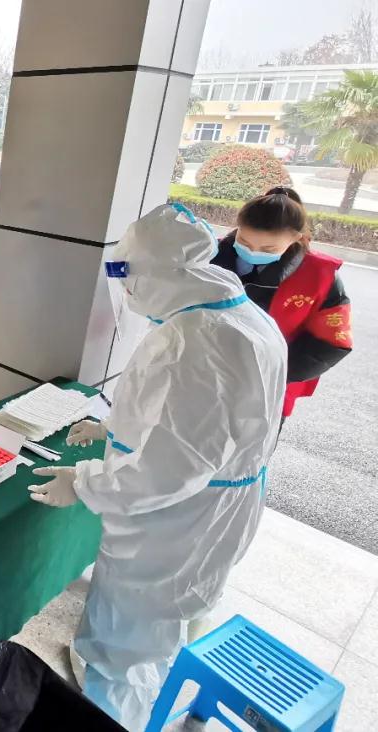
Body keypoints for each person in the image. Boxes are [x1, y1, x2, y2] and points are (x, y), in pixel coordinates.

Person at [28, 204, 287, 731]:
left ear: (162, 273)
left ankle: (111, 715)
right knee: (161, 625)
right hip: (213, 509)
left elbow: (172, 468)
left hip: (176, 526)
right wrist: (114, 429)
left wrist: (85, 481)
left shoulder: (199, 340)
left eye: (128, 276)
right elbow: (191, 421)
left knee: (129, 642)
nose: (125, 290)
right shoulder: (236, 313)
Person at [211, 186, 352, 424]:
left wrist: (270, 373)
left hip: (267, 388)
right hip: (202, 374)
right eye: (243, 241)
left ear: (296, 238)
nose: (252, 251)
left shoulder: (320, 276)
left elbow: (332, 342)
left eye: (269, 249)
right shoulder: (207, 254)